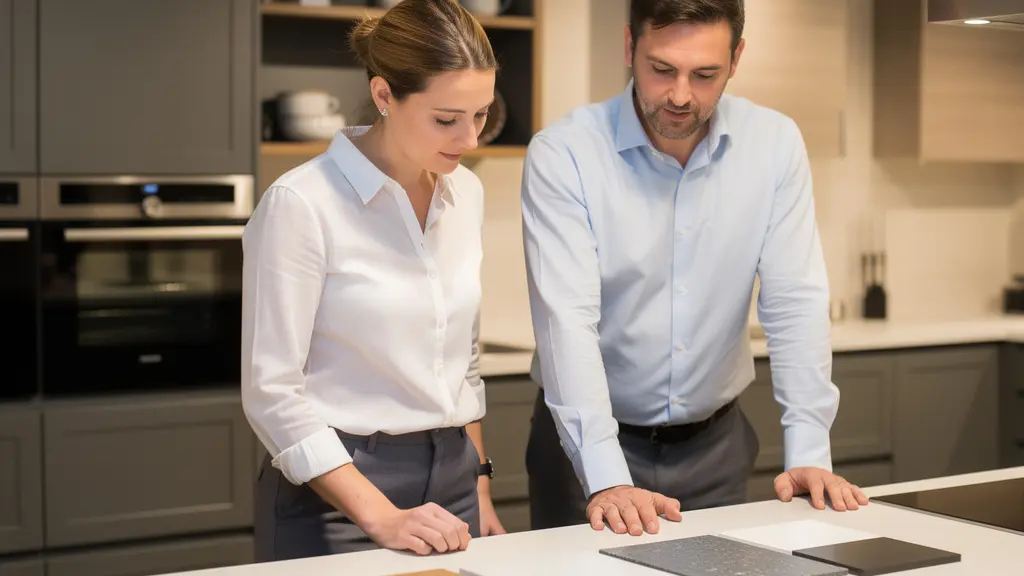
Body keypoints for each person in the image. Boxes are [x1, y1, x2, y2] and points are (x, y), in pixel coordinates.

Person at [520, 0, 870, 537]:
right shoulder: (565, 153)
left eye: (705, 74)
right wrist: (607, 478)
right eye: (662, 69)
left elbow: (794, 299)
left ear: (736, 59)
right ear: (629, 47)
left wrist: (809, 449)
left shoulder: (774, 145)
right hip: (584, 449)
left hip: (717, 450)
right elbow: (567, 320)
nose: (681, 95)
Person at [241, 0, 505, 562]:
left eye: (480, 114)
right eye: (446, 118)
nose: (470, 138)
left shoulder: (466, 193)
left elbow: (465, 358)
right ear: (384, 95)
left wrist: (477, 482)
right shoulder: (301, 203)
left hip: (455, 482)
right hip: (338, 495)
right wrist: (380, 516)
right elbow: (272, 392)